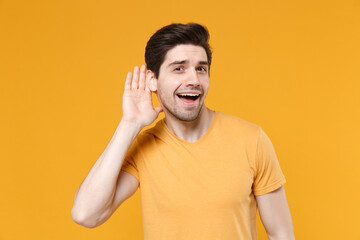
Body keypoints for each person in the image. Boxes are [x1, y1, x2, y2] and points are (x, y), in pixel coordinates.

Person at [71, 23, 295, 240]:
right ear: (152, 80)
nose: (194, 80)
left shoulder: (251, 140)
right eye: (179, 68)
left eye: (201, 69)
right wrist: (129, 124)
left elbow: (281, 234)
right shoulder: (144, 147)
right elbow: (86, 214)